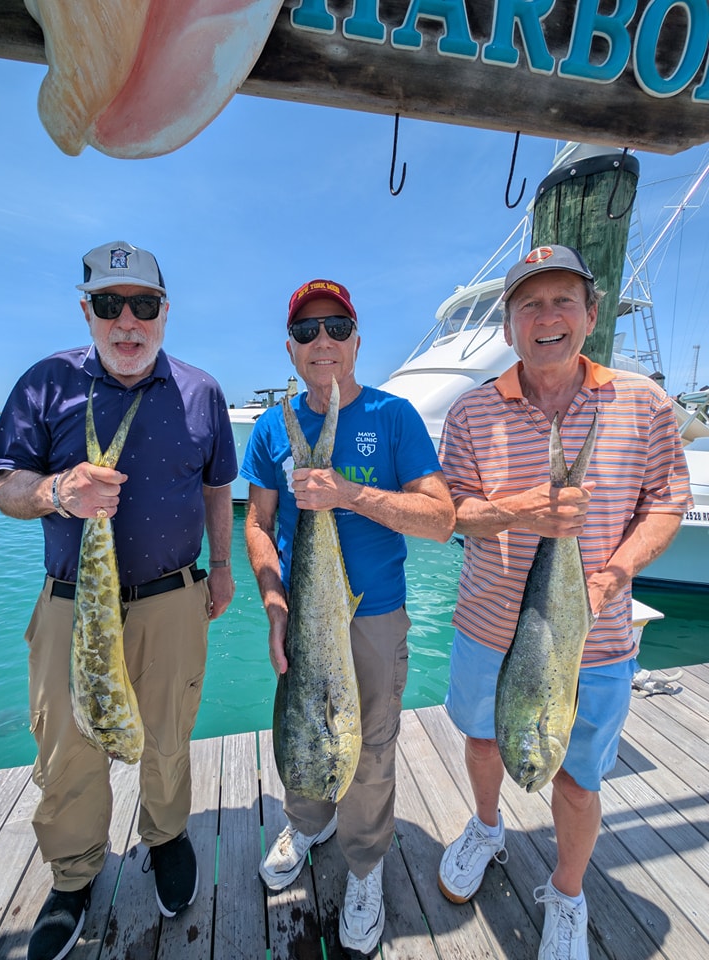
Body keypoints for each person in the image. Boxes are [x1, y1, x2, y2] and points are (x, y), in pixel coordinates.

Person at [436, 245, 692, 959]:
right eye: (529, 305)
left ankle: (568, 892)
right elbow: (454, 511)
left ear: (591, 311)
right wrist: (524, 511)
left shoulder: (643, 403)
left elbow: (668, 504)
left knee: (579, 781)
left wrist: (616, 573)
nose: (546, 318)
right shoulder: (471, 412)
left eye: (561, 301)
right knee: (485, 741)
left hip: (598, 638)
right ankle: (487, 829)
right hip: (488, 626)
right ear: (510, 322)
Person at [0, 241, 237, 960]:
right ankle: (73, 874)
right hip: (71, 599)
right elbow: (5, 486)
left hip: (171, 598)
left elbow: (218, 485)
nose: (127, 322)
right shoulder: (46, 382)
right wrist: (56, 492)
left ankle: (165, 837)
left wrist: (223, 566)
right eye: (109, 305)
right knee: (65, 745)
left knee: (169, 730)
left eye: (144, 305)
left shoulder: (202, 391)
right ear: (86, 309)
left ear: (165, 311)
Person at [241, 279, 456, 957]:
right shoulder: (273, 427)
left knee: (371, 752)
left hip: (375, 618)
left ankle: (364, 866)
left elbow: (440, 518)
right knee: (304, 728)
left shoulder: (395, 417)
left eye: (336, 328)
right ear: (291, 349)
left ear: (357, 340)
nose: (322, 342)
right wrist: (273, 599)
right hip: (302, 609)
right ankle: (307, 825)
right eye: (307, 332)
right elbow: (257, 521)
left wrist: (349, 494)